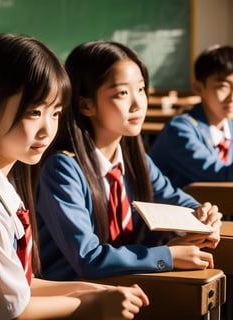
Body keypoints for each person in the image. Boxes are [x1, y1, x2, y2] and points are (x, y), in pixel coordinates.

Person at [0, 34, 149, 320]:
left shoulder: (1, 185)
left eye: (56, 113)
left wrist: (95, 291)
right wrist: (92, 303)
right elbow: (2, 312)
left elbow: (17, 289)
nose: (47, 130)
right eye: (34, 112)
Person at [34, 40, 222, 282]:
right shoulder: (62, 169)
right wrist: (166, 255)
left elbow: (175, 200)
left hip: (124, 287)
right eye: (122, 93)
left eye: (141, 89)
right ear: (85, 104)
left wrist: (202, 215)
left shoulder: (135, 159)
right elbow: (88, 259)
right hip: (74, 297)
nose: (137, 104)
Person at [150, 45, 233, 189]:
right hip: (177, 210)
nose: (231, 97)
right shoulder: (179, 130)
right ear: (198, 88)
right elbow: (219, 177)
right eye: (223, 87)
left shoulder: (230, 127)